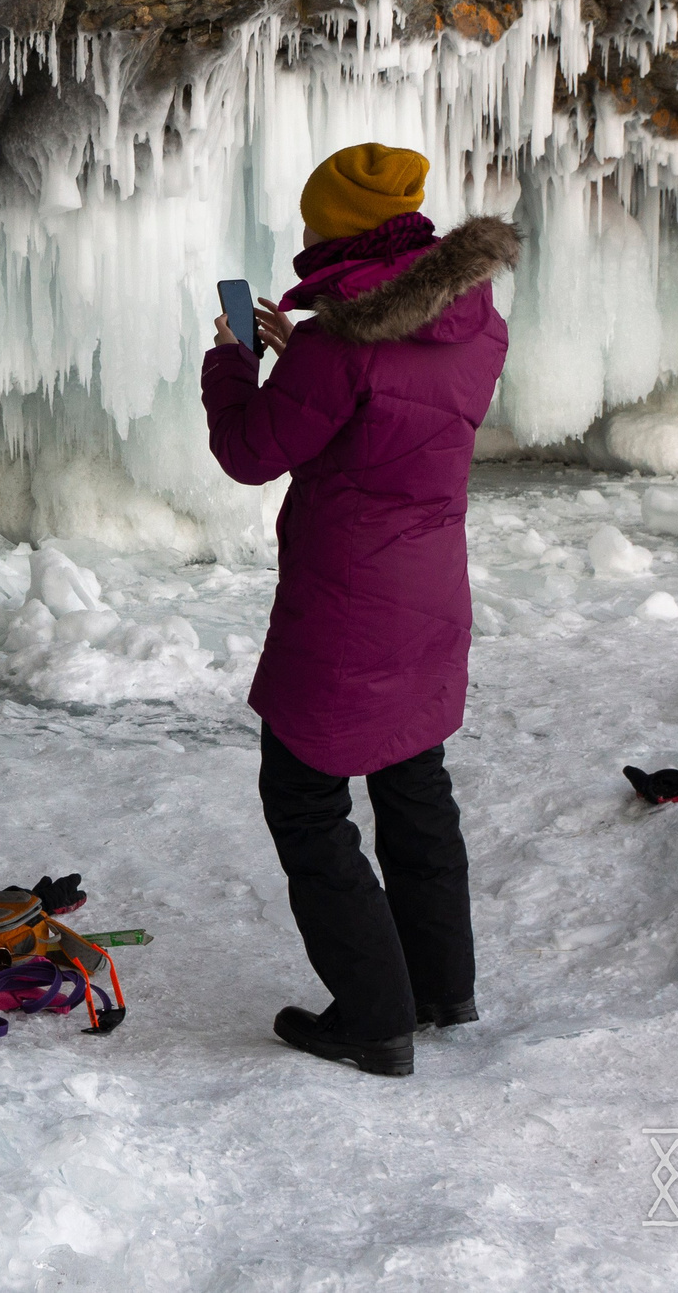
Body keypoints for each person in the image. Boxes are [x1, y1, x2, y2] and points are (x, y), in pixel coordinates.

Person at [201, 143, 519, 1077]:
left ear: (334, 228)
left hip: (346, 603)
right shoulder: (472, 319)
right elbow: (397, 409)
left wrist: (234, 364)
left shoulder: (341, 344)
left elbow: (255, 451)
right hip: (430, 593)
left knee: (302, 798)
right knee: (413, 782)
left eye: (310, 222)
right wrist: (309, 357)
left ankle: (375, 1016)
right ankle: (441, 987)